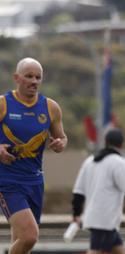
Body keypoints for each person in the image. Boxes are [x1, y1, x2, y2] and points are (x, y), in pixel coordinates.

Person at [0, 57, 67, 254]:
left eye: (38, 77)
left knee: (23, 243)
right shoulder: (4, 104)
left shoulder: (50, 107)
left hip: (34, 181)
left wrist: (59, 143)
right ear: (17, 78)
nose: (34, 81)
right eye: (29, 76)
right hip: (7, 180)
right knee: (30, 236)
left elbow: (62, 138)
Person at [70, 128, 125, 254]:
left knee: (121, 251)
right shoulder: (118, 163)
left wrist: (76, 214)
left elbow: (78, 192)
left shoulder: (89, 162)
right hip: (105, 221)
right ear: (122, 144)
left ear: (105, 142)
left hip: (97, 219)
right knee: (95, 251)